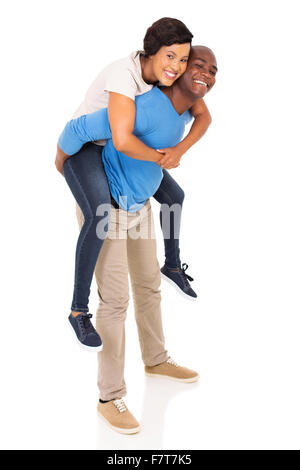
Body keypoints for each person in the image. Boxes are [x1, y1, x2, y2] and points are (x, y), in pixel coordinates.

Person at [59, 46, 217, 351]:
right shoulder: (141, 105)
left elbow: (204, 117)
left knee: (174, 198)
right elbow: (80, 128)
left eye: (212, 71)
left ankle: (172, 265)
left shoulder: (185, 103)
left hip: (136, 168)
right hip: (88, 152)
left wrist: (177, 151)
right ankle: (78, 309)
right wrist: (60, 160)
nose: (206, 75)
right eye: (197, 65)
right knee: (100, 217)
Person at [83, 197, 200, 434]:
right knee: (115, 301)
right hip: (107, 211)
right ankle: (109, 397)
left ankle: (156, 359)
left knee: (149, 285)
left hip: (138, 203)